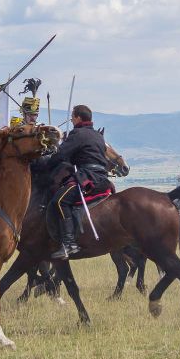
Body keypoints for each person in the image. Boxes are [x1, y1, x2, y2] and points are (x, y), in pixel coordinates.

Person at [37, 104, 110, 259]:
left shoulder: (77, 134)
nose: (71, 119)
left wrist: (47, 164)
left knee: (60, 201)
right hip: (102, 177)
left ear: (78, 117)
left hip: (88, 176)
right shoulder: (97, 135)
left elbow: (61, 155)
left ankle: (69, 243)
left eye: (72, 116)